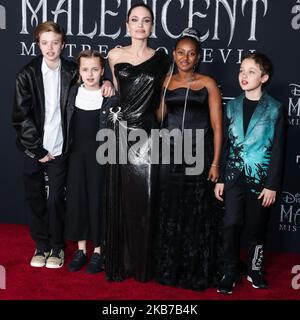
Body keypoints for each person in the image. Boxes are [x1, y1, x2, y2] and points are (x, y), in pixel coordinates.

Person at [12, 21, 114, 269]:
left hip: (60, 148)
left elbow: (93, 79)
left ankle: (57, 247)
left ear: (63, 44)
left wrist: (108, 81)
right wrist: (37, 149)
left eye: (55, 42)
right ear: (38, 44)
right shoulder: (27, 74)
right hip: (34, 148)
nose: (50, 48)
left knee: (56, 198)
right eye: (45, 43)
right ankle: (42, 245)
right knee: (35, 197)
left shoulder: (72, 72)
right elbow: (20, 116)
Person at [105, 2, 170, 282]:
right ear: (127, 24)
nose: (140, 25)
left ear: (152, 26)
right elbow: (118, 92)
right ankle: (123, 262)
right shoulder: (114, 55)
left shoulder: (163, 61)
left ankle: (143, 264)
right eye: (135, 19)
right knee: (120, 198)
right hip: (120, 132)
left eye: (146, 20)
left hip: (148, 134)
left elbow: (162, 104)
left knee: (145, 199)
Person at [155, 28, 223, 290]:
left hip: (199, 155)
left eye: (190, 54)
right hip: (169, 155)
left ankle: (194, 270)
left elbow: (217, 127)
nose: (185, 57)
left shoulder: (207, 83)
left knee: (196, 213)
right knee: (171, 210)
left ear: (198, 57)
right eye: (181, 52)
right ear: (174, 55)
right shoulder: (166, 82)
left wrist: (216, 163)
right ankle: (169, 268)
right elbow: (159, 118)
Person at [214, 52, 286, 294]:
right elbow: (226, 145)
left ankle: (255, 269)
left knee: (257, 227)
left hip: (261, 180)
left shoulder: (275, 109)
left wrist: (272, 185)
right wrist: (222, 178)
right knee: (231, 223)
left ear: (264, 77)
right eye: (241, 70)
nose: (244, 76)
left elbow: (278, 150)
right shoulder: (231, 106)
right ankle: (228, 270)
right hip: (234, 177)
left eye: (251, 71)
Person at [64, 50, 115, 273]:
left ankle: (98, 251)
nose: (90, 74)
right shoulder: (73, 92)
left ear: (102, 71)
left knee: (97, 201)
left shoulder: (109, 95)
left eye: (95, 69)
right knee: (78, 201)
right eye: (85, 69)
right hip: (76, 156)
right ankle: (81, 249)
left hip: (100, 157)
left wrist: (110, 83)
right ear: (79, 71)